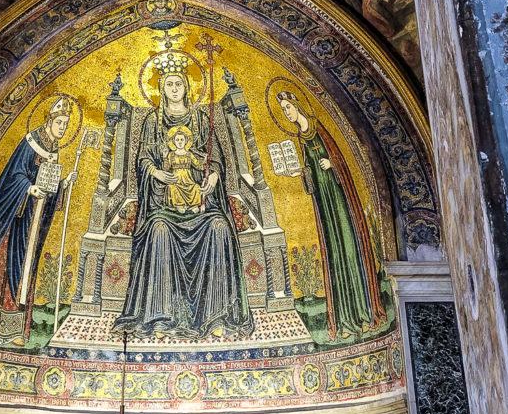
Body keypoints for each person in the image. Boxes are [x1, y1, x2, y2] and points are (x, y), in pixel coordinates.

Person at [114, 68, 253, 339]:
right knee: (158, 231)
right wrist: (155, 173)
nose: (175, 89)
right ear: (161, 89)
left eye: (179, 83)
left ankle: (216, 316)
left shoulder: (201, 120)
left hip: (200, 203)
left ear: (187, 88)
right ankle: (160, 318)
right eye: (169, 84)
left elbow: (216, 159)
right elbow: (143, 159)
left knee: (219, 227)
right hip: (163, 205)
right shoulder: (153, 122)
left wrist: (213, 175)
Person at [0, 97, 77, 346]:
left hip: (29, 225)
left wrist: (64, 185)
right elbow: (13, 177)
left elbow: (48, 189)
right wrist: (28, 189)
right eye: (60, 122)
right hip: (9, 221)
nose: (63, 128)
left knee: (23, 271)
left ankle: (12, 332)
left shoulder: (53, 151)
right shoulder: (30, 143)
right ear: (49, 120)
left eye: (66, 124)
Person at [277, 91, 387, 341]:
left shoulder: (319, 129)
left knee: (350, 250)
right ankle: (345, 321)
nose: (287, 113)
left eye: (288, 107)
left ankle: (366, 314)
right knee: (335, 255)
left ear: (297, 104)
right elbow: (310, 176)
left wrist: (332, 163)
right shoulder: (300, 139)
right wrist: (301, 174)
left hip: (339, 201)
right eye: (283, 110)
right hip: (325, 206)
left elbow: (342, 161)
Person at [163, 125, 205, 213]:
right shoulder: (171, 154)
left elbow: (198, 165)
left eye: (182, 139)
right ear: (173, 141)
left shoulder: (189, 154)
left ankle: (193, 205)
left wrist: (205, 160)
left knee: (196, 187)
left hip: (188, 181)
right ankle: (179, 205)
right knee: (172, 188)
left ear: (186, 141)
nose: (180, 142)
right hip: (176, 181)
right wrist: (165, 157)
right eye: (177, 140)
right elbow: (166, 169)